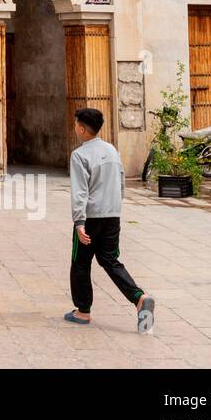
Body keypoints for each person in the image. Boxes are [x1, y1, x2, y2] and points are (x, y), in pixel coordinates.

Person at [66, 107, 156, 332]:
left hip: (91, 218)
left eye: (76, 124)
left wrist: (79, 222)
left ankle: (83, 311)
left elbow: (80, 192)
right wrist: (115, 207)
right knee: (110, 260)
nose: (75, 127)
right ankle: (139, 298)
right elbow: (122, 181)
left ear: (83, 128)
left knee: (80, 263)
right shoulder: (111, 150)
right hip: (112, 215)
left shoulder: (80, 155)